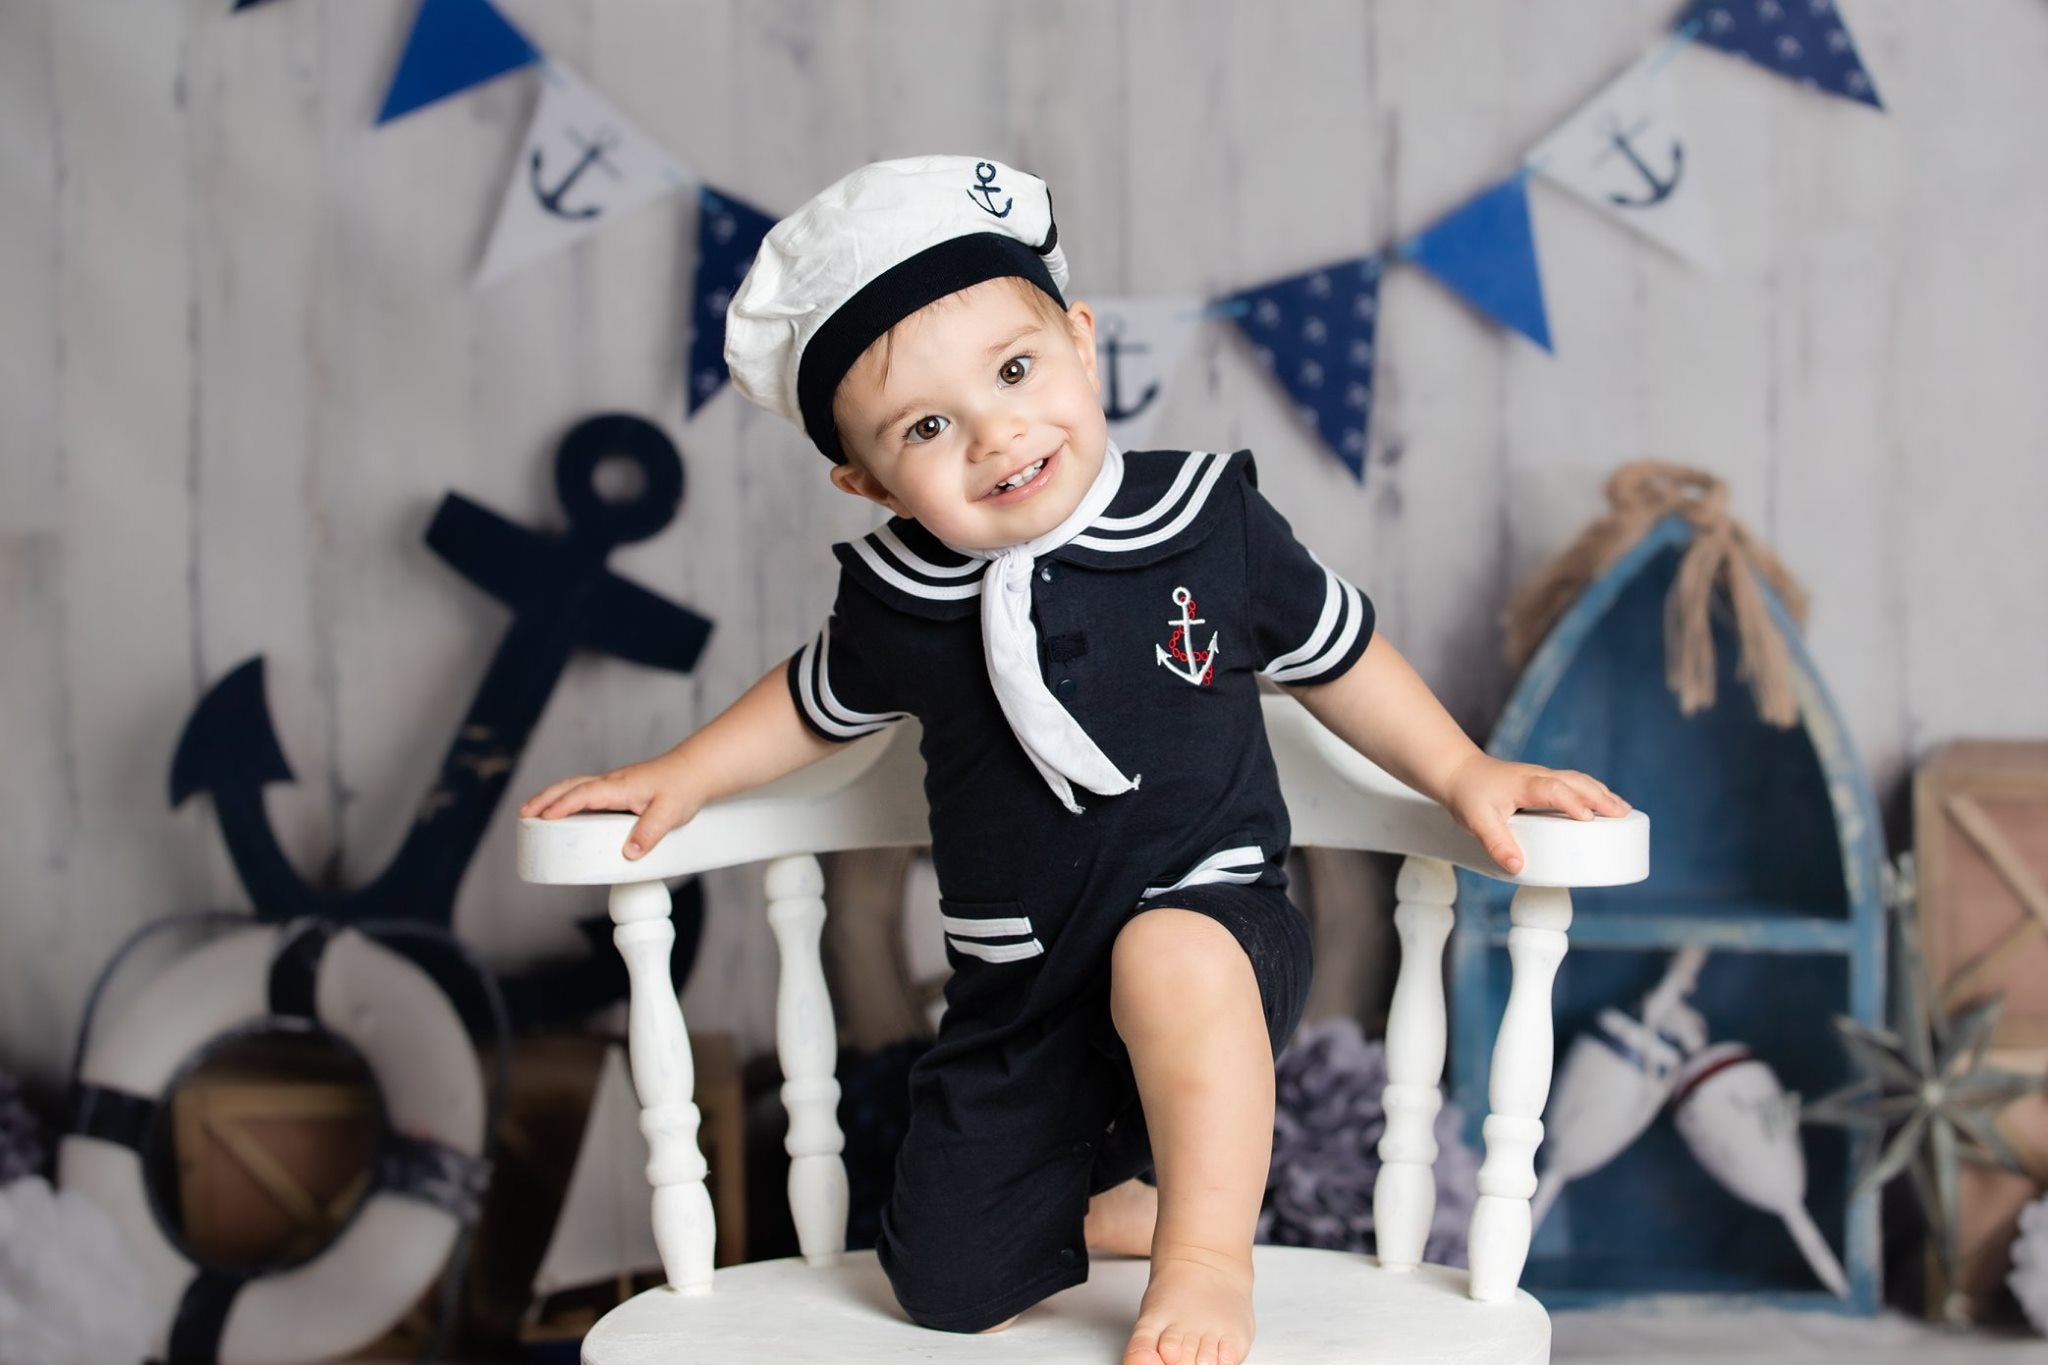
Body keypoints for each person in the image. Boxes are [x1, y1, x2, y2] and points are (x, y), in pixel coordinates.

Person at [520, 155, 1627, 1365]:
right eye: (927, 427)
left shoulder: (1207, 522)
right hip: (1017, 991)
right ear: (862, 477)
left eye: (1014, 370)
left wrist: (1462, 770)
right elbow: (805, 704)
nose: (997, 434)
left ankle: (1203, 1256)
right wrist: (681, 773)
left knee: (1165, 955)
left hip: (1211, 935)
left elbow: (1342, 654)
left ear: (1082, 344)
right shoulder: (900, 597)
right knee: (943, 1287)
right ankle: (1114, 1195)